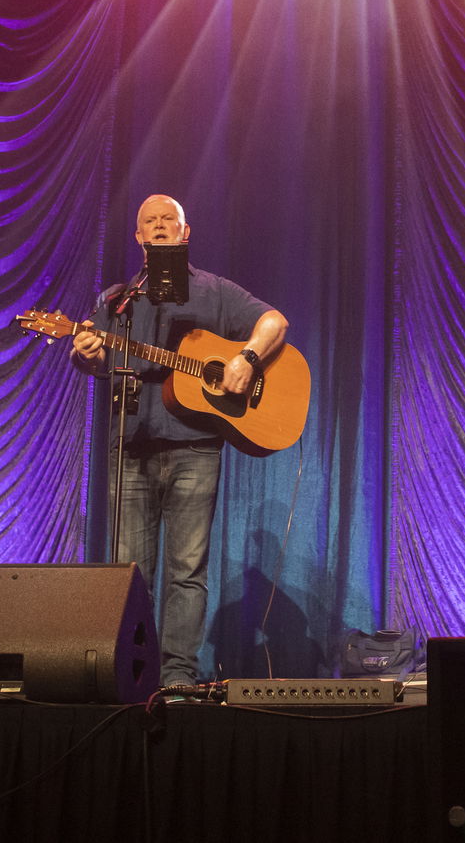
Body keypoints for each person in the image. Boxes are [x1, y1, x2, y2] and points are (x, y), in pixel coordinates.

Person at [70, 194, 288, 687]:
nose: (161, 225)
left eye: (170, 219)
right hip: (131, 447)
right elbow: (97, 362)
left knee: (187, 571)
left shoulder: (214, 291)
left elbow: (274, 322)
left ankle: (177, 676)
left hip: (195, 448)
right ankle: (132, 672)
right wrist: (84, 353)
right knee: (129, 572)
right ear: (139, 238)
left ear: (185, 233)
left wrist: (246, 359)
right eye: (150, 221)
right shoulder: (116, 302)